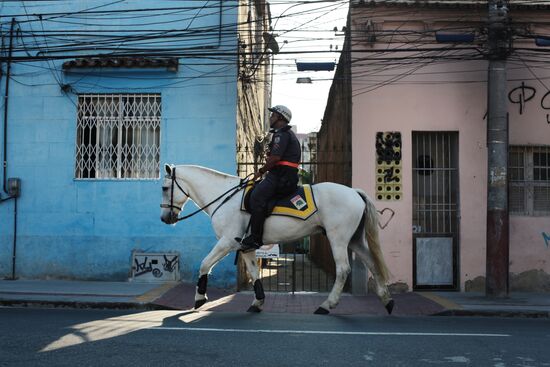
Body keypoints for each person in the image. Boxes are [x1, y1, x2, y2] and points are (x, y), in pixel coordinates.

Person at [239, 105, 301, 253]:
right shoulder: (283, 134)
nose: (270, 117)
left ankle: (255, 238)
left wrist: (259, 172)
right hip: (282, 175)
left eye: (273, 115)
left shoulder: (282, 134)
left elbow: (275, 159)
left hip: (281, 177)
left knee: (256, 197)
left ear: (280, 118)